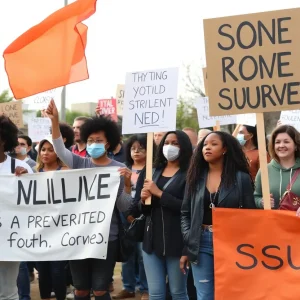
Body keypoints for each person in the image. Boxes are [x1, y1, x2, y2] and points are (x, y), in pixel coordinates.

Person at [45, 99, 133, 300]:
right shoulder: (78, 162)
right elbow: (59, 149)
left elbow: (124, 207)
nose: (94, 144)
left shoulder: (117, 169)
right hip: (78, 235)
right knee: (81, 290)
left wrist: (126, 185)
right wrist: (55, 121)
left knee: (101, 289)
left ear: (108, 143)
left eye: (99, 141)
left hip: (106, 237)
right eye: (91, 140)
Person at [181, 131, 256, 300]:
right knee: (205, 295)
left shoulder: (241, 178)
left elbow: (251, 215)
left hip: (231, 243)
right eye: (205, 144)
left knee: (230, 293)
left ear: (225, 149)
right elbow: (185, 212)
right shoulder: (194, 178)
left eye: (214, 144)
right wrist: (189, 237)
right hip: (201, 242)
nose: (207, 147)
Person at [135, 131, 193, 300]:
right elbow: (139, 209)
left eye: (175, 143)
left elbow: (188, 207)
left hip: (178, 241)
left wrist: (159, 193)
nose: (170, 147)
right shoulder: (151, 171)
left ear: (184, 147)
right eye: (167, 142)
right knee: (156, 294)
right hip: (151, 242)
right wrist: (143, 199)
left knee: (178, 292)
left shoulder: (191, 173)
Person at [113, 134, 150, 300]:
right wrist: (127, 215)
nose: (137, 152)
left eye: (141, 148)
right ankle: (128, 287)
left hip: (146, 217)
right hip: (124, 217)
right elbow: (119, 195)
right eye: (133, 148)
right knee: (127, 254)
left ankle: (145, 288)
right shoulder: (122, 169)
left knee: (143, 255)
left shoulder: (152, 170)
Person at [0, 115, 33, 300]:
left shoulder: (20, 167)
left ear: (4, 139)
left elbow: (35, 203)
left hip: (9, 239)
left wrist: (26, 181)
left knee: (8, 291)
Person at [35, 137, 68, 300]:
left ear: (58, 152)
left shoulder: (66, 171)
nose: (46, 153)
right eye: (43, 149)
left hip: (60, 229)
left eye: (50, 149)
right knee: (43, 270)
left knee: (57, 270)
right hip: (40, 230)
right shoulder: (34, 173)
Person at [254, 125, 300, 209]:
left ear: (296, 145)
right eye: (277, 142)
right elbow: (255, 197)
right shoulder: (265, 170)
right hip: (272, 221)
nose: (281, 145)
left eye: (286, 142)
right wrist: (261, 202)